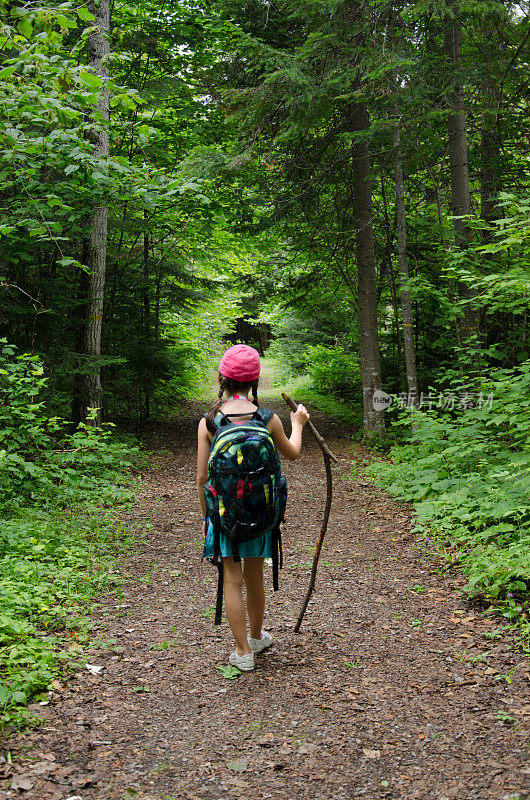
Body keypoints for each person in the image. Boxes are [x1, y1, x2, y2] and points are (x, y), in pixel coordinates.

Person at [197, 344, 309, 671]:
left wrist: (207, 515)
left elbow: (203, 475)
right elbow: (293, 453)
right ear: (254, 381)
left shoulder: (209, 422)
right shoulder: (268, 418)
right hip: (260, 514)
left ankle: (243, 652)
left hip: (225, 516)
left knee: (231, 580)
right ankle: (258, 636)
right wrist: (297, 423)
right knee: (255, 575)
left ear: (222, 378)